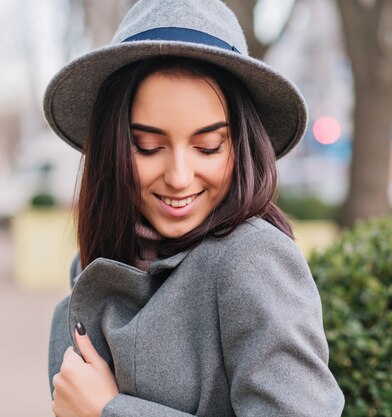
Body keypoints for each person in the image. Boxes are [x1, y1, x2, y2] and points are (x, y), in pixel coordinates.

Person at [43, 0, 345, 416]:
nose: (180, 176)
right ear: (111, 148)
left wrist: (109, 410)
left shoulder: (251, 260)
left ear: (239, 146)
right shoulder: (102, 261)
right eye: (148, 147)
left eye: (207, 147)